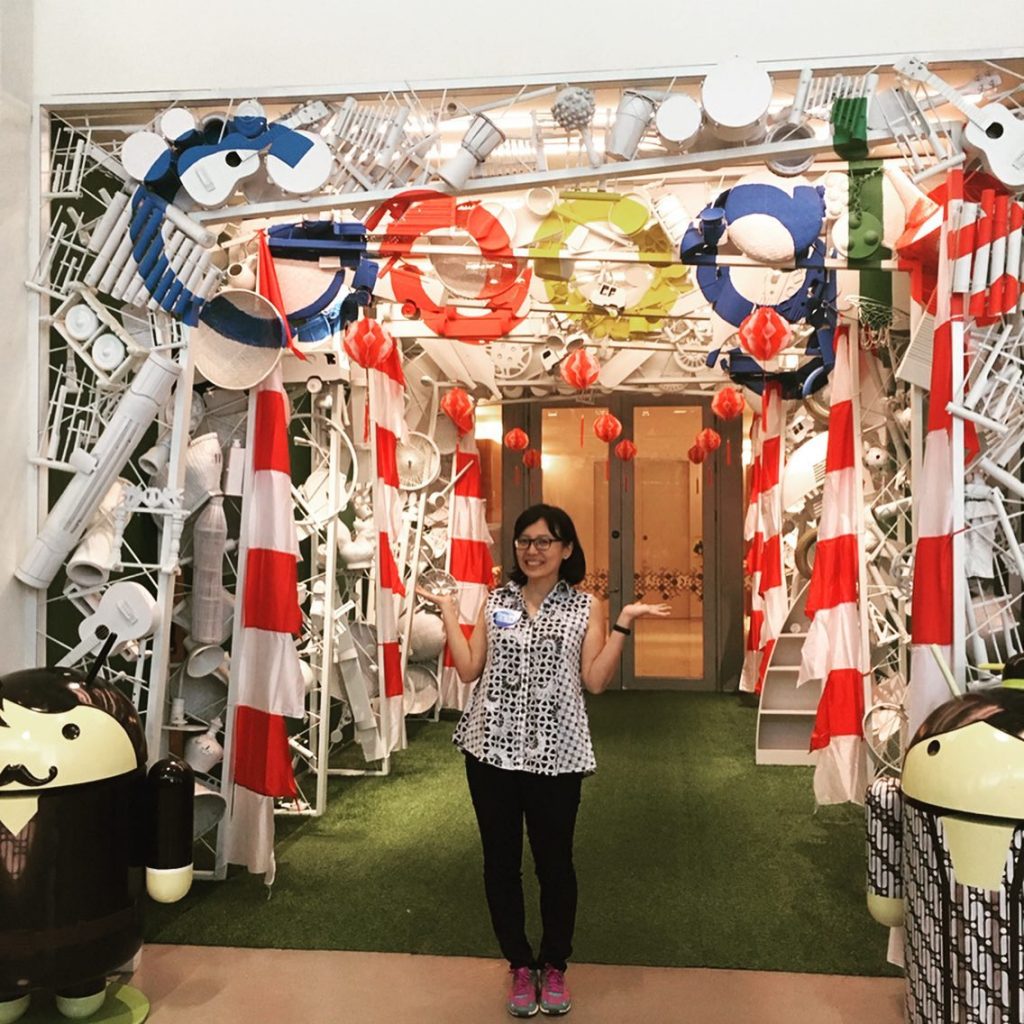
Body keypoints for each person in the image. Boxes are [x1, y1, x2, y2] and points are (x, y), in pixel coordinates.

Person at [418, 503, 669, 1017]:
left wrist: (623, 623)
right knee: (500, 863)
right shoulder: (496, 601)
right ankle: (518, 964)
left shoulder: (585, 607)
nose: (532, 551)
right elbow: (468, 670)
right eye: (524, 541)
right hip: (490, 751)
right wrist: (447, 610)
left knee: (555, 864)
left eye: (544, 541)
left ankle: (553, 965)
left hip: (557, 756)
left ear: (566, 548)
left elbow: (594, 681)